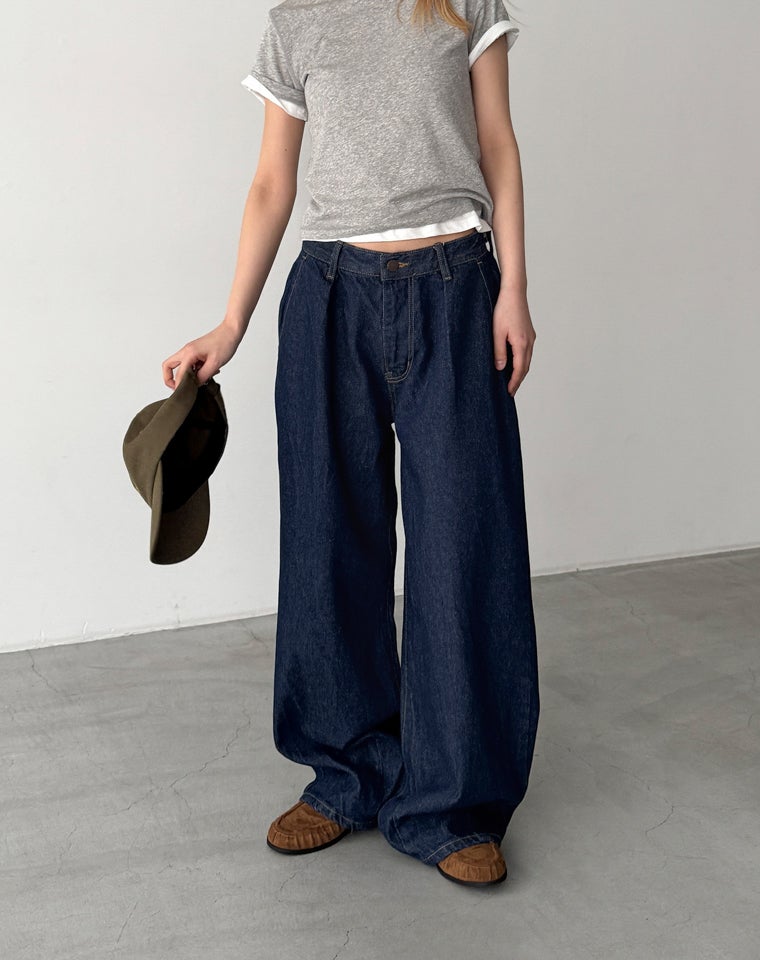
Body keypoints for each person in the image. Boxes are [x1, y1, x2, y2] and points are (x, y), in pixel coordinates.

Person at [162, 0, 540, 888]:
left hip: (456, 286)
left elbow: (498, 144)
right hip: (330, 294)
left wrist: (514, 288)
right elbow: (271, 182)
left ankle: (453, 805)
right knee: (328, 542)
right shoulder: (297, 21)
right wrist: (231, 322)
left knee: (464, 545)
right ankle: (347, 776)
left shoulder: (465, 3)